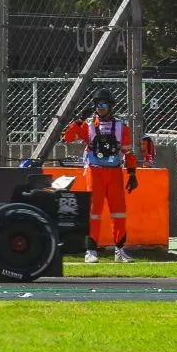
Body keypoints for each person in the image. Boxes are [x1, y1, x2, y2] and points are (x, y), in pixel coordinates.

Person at [68, 89, 137, 264]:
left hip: (114, 172)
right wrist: (78, 121)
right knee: (94, 212)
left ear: (111, 106)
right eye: (98, 105)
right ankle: (91, 251)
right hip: (95, 170)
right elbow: (68, 137)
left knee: (119, 212)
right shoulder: (89, 126)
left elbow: (128, 153)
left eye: (104, 104)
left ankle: (119, 250)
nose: (100, 108)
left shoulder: (122, 127)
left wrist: (132, 173)